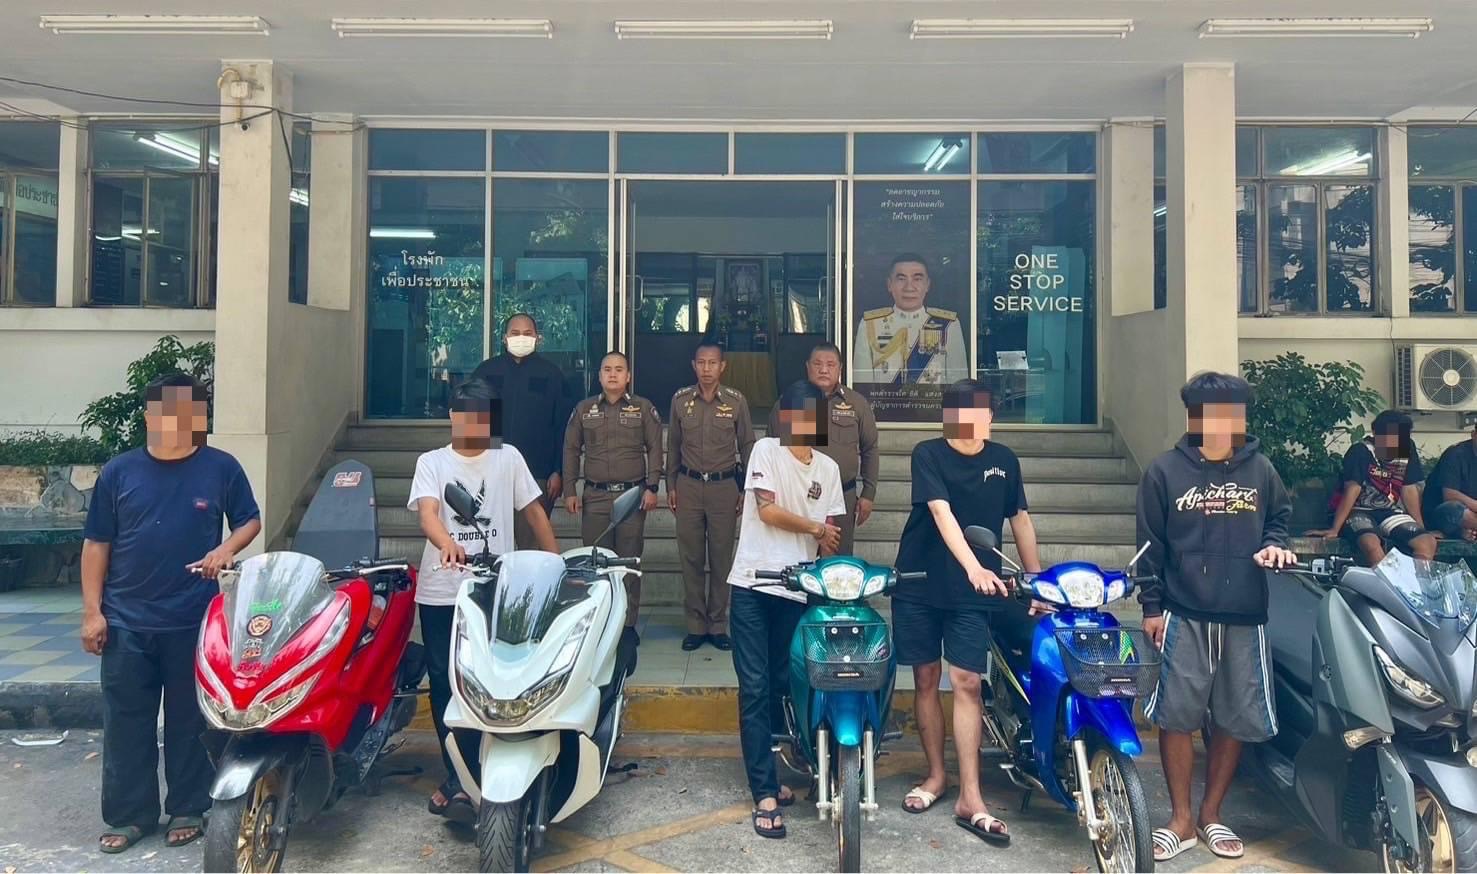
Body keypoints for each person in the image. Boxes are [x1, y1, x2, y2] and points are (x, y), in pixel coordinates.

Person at [81, 373, 262, 854]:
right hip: (126, 620)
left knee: (190, 722)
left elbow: (249, 519)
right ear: (150, 416)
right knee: (126, 723)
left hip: (195, 619)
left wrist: (226, 549)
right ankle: (129, 815)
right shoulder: (119, 472)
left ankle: (188, 808)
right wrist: (92, 612)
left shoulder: (221, 468)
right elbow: (97, 544)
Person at [1137, 372, 1295, 863]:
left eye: (1233, 412)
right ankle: (1180, 820)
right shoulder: (1164, 472)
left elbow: (1279, 520)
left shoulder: (1261, 469)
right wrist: (1151, 606)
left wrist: (1275, 546)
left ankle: (1211, 814)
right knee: (1176, 716)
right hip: (1183, 612)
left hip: (1245, 614)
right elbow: (1149, 546)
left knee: (1234, 716)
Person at [892, 379, 1041, 846]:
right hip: (920, 581)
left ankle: (970, 796)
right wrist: (974, 566)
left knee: (968, 681)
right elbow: (941, 513)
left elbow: (1020, 519)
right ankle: (937, 775)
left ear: (991, 417)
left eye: (980, 412)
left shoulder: (1005, 460)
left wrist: (1036, 580)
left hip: (975, 590)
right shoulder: (928, 454)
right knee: (925, 677)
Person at [408, 378, 560, 822]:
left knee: (495, 679)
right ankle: (456, 775)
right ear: (452, 417)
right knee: (445, 682)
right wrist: (447, 544)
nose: (474, 426)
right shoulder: (432, 462)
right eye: (466, 417)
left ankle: (493, 769)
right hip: (442, 591)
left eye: (482, 419)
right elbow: (428, 514)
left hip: (496, 590)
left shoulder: (507, 457)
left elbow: (533, 511)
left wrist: (556, 562)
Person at [728, 380, 846, 839]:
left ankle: (788, 768)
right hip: (753, 586)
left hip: (798, 591)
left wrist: (827, 548)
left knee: (788, 684)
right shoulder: (766, 452)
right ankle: (764, 792)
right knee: (755, 688)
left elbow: (831, 535)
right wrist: (815, 529)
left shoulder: (829, 469)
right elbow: (767, 511)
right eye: (798, 414)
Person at [563, 351, 663, 638]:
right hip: (595, 496)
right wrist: (570, 489)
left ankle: (627, 625)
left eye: (619, 369)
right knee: (596, 562)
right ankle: (600, 624)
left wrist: (652, 487)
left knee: (628, 562)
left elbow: (655, 448)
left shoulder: (643, 408)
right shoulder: (584, 409)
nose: (613, 374)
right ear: (599, 376)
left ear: (628, 376)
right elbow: (571, 449)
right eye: (607, 369)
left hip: (632, 497)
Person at [668, 341, 756, 652]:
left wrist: (747, 488)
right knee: (691, 557)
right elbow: (673, 446)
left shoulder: (736, 401)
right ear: (694, 365)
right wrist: (670, 485)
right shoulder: (680, 400)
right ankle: (695, 625)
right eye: (701, 363)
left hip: (724, 487)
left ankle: (718, 624)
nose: (706, 369)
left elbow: (747, 445)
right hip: (689, 485)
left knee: (721, 558)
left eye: (712, 363)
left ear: (722, 367)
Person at [468, 313, 573, 549]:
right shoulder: (486, 372)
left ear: (538, 338)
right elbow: (470, 421)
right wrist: (471, 468)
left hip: (537, 473)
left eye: (527, 333)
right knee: (489, 543)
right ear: (504, 338)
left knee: (531, 547)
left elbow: (563, 428)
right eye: (515, 333)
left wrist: (558, 471)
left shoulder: (552, 374)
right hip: (490, 473)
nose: (521, 338)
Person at [766, 342, 879, 555]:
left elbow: (870, 448)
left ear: (840, 369)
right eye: (817, 364)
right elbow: (772, 448)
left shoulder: (856, 403)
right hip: (796, 497)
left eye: (830, 364)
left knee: (837, 561)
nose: (824, 370)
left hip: (841, 495)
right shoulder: (788, 402)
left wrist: (868, 493)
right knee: (796, 557)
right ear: (807, 367)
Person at [1310, 409, 1437, 565]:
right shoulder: (1361, 451)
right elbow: (1352, 489)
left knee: (1426, 542)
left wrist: (1420, 526)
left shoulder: (1408, 448)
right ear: (1376, 433)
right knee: (1370, 543)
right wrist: (1335, 529)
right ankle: (1387, 580)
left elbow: (1408, 489)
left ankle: (1416, 581)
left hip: (1389, 511)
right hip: (1357, 511)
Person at [852, 254, 967, 385]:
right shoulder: (870, 324)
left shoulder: (949, 325)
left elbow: (960, 385)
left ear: (927, 285)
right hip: (883, 399)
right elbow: (862, 384)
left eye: (917, 279)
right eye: (901, 279)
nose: (909, 287)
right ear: (889, 285)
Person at [1420, 420, 1477, 541]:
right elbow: (1450, 495)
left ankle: (1466, 530)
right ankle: (1465, 529)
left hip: (1472, 515)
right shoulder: (1456, 454)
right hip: (1444, 513)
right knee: (1454, 509)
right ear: (1473, 434)